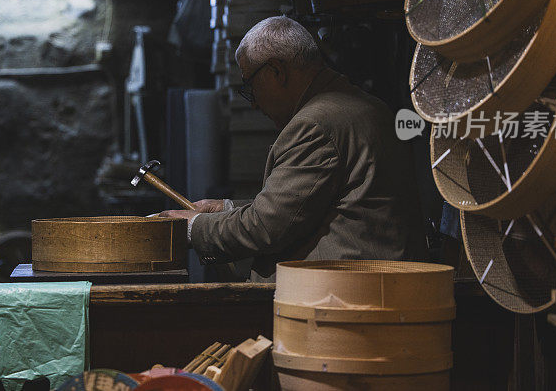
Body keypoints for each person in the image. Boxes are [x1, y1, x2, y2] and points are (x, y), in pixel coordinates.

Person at [160, 16, 426, 282]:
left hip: (342, 297)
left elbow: (265, 227)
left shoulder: (315, 124)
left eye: (250, 87)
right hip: (371, 286)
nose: (253, 104)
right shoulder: (364, 106)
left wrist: (192, 227)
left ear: (276, 71)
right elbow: (307, 207)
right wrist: (227, 209)